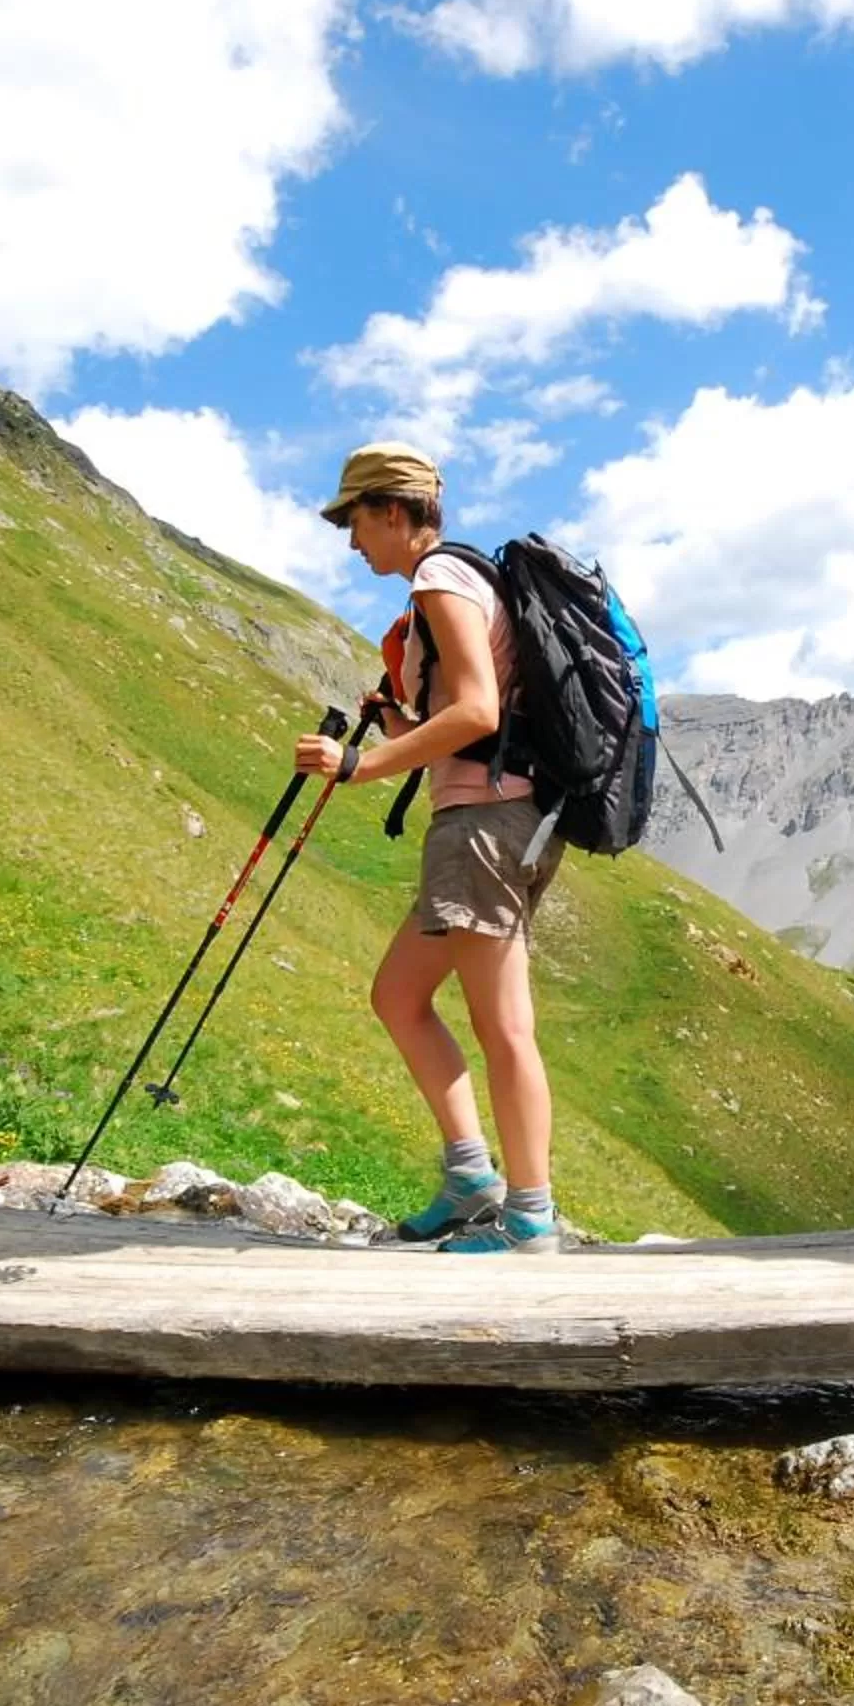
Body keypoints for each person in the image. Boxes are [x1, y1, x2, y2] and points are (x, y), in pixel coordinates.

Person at [293, 443, 565, 1254]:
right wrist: (405, 721)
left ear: (393, 511)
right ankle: (471, 1180)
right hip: (487, 819)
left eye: (356, 522)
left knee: (504, 1026)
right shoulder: (469, 580)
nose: (352, 543)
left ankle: (528, 1222)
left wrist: (362, 764)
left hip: (485, 825)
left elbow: (478, 711)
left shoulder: (440, 579)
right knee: (399, 996)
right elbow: (474, 723)